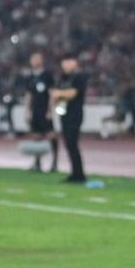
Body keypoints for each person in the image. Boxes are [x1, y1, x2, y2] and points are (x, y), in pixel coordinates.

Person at [50, 52, 88, 183]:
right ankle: (75, 172)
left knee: (72, 143)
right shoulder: (62, 78)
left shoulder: (79, 77)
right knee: (69, 144)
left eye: (67, 62)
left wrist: (59, 93)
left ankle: (79, 174)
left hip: (74, 114)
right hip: (64, 113)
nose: (65, 65)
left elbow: (72, 93)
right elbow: (55, 94)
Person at [24, 52, 59, 172]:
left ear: (41, 61)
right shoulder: (30, 77)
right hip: (35, 110)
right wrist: (27, 110)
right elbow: (28, 95)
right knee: (36, 136)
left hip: (45, 110)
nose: (33, 61)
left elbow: (52, 94)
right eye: (32, 59)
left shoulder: (47, 75)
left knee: (51, 135)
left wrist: (50, 110)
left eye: (36, 59)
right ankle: (37, 163)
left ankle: (54, 163)